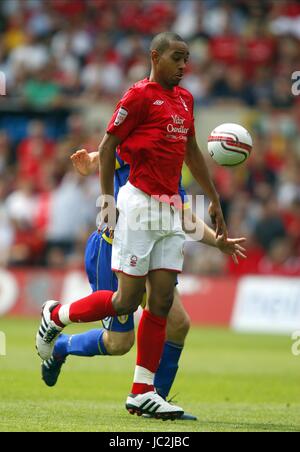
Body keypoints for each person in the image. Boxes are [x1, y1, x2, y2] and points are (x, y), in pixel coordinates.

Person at [36, 32, 228, 420]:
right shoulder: (137, 107)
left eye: (188, 59)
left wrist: (215, 214)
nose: (185, 66)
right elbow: (103, 151)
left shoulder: (183, 107)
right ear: (156, 57)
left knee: (171, 314)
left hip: (164, 217)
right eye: (178, 58)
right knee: (120, 330)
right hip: (123, 225)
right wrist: (104, 195)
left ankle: (148, 393)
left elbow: (187, 173)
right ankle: (56, 322)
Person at [41, 149, 246, 422]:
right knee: (119, 343)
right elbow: (106, 151)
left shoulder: (171, 170)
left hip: (151, 249)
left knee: (179, 323)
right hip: (113, 249)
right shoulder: (140, 145)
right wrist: (90, 162)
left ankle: (153, 398)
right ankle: (62, 344)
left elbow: (184, 219)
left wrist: (218, 242)